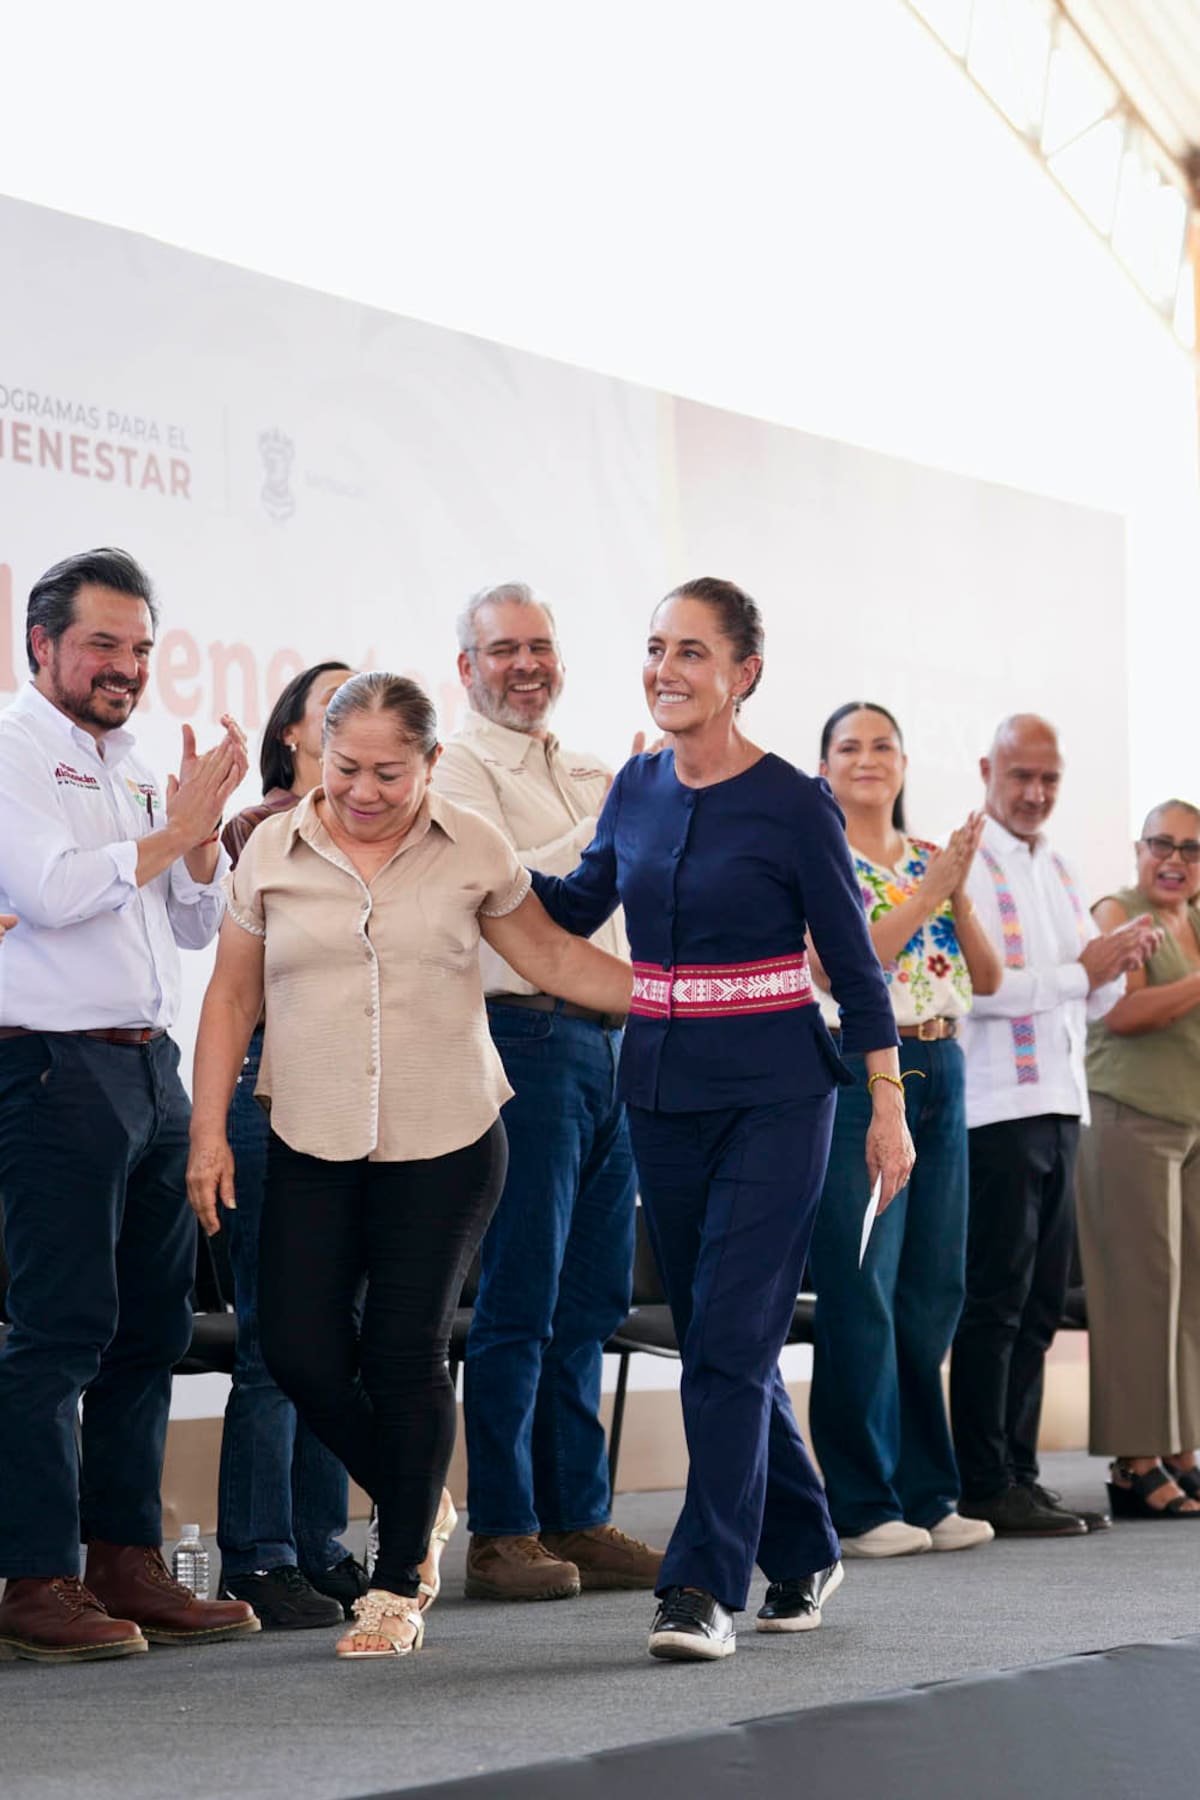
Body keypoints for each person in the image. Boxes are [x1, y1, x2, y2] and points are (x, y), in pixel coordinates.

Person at [186, 672, 633, 1662]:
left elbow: (555, 960)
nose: (367, 790)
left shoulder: (471, 845)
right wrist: (208, 1132)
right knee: (299, 1349)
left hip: (448, 1135)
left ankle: (395, 1588)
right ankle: (417, 1494)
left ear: (430, 765)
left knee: (401, 1354)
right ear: (321, 753)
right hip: (313, 1129)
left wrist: (684, 999)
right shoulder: (274, 848)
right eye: (348, 767)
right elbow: (228, 1000)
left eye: (392, 771)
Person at [532, 578, 912, 1662]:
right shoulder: (637, 789)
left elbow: (854, 966)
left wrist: (887, 1103)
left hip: (784, 1096)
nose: (666, 669)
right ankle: (804, 1539)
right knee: (717, 1340)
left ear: (743, 674)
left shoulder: (796, 802)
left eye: (692, 652)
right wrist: (476, 870)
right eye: (656, 648)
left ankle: (699, 1585)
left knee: (733, 1338)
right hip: (661, 1090)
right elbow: (577, 901)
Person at [0, 547, 259, 1663]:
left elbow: (191, 930)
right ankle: (35, 1576)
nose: (126, 667)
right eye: (103, 644)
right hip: (50, 1068)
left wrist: (199, 847)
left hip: (148, 1067)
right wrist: (170, 830)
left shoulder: (149, 764)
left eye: (142, 648)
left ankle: (123, 1560)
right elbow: (49, 893)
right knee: (60, 1329)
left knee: (147, 1332)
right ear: (42, 645)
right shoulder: (10, 748)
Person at [432, 583, 662, 1603]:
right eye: (503, 649)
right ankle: (503, 1531)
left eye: (540, 647)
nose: (526, 665)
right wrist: (616, 822)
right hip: (521, 1037)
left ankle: (578, 1512)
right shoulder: (456, 771)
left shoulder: (587, 768)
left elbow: (630, 895)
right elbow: (502, 884)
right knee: (521, 1290)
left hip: (613, 1045)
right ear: (467, 668)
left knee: (593, 1295)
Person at [950, 714, 1160, 1537]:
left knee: (1039, 1305)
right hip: (992, 1108)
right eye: (1020, 776)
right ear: (986, 769)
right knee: (994, 1301)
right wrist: (1084, 971)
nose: (1035, 794)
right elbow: (982, 988)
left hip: (1060, 1104)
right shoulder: (961, 862)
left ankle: (1020, 1473)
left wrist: (1118, 962)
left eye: (1049, 780)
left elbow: (1092, 994)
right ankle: (981, 1478)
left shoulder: (1061, 867)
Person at [807, 703, 1001, 1557]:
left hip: (943, 1065)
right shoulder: (818, 857)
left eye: (882, 744)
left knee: (931, 1291)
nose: (868, 758)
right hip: (862, 1073)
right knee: (863, 1287)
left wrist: (956, 888)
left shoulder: (932, 858)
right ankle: (861, 1500)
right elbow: (839, 965)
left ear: (905, 761)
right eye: (849, 746)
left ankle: (929, 1492)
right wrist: (928, 894)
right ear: (824, 766)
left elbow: (987, 976)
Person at [215, 660, 374, 1629]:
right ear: (291, 739)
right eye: (335, 709)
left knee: (334, 1343)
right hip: (270, 1096)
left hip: (358, 1106)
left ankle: (318, 1546)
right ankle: (258, 1556)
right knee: (274, 1342)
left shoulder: (388, 838)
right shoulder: (264, 829)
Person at [1078, 800, 1200, 1519]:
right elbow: (1122, 1013)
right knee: (1141, 1294)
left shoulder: (1193, 917)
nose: (1176, 858)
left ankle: (1180, 1447)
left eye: (1191, 848)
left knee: (1189, 1298)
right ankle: (1134, 1462)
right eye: (1163, 843)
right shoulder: (1117, 915)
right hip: (1129, 1120)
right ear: (1138, 847)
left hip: (1190, 1125)